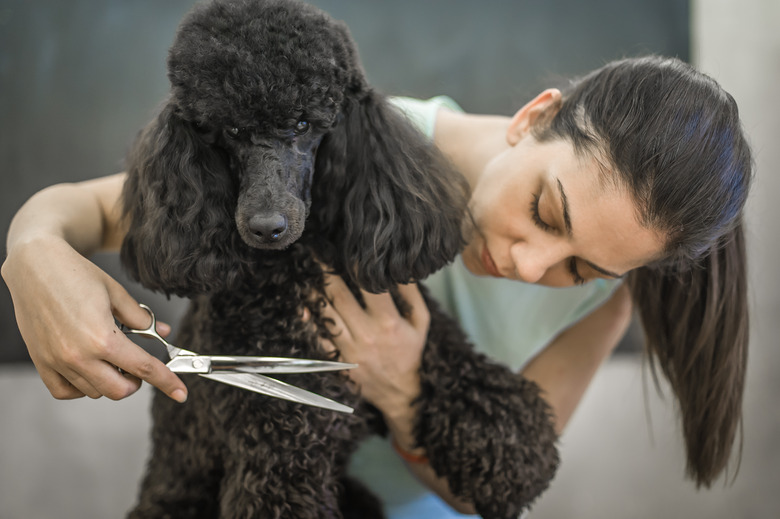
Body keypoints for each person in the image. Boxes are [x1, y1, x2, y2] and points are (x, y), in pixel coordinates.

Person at [2, 56, 752, 518]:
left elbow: (492, 486)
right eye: (543, 211)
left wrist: (402, 386)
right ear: (536, 118)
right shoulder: (364, 141)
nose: (531, 267)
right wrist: (31, 247)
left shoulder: (609, 300)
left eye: (580, 268)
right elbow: (96, 208)